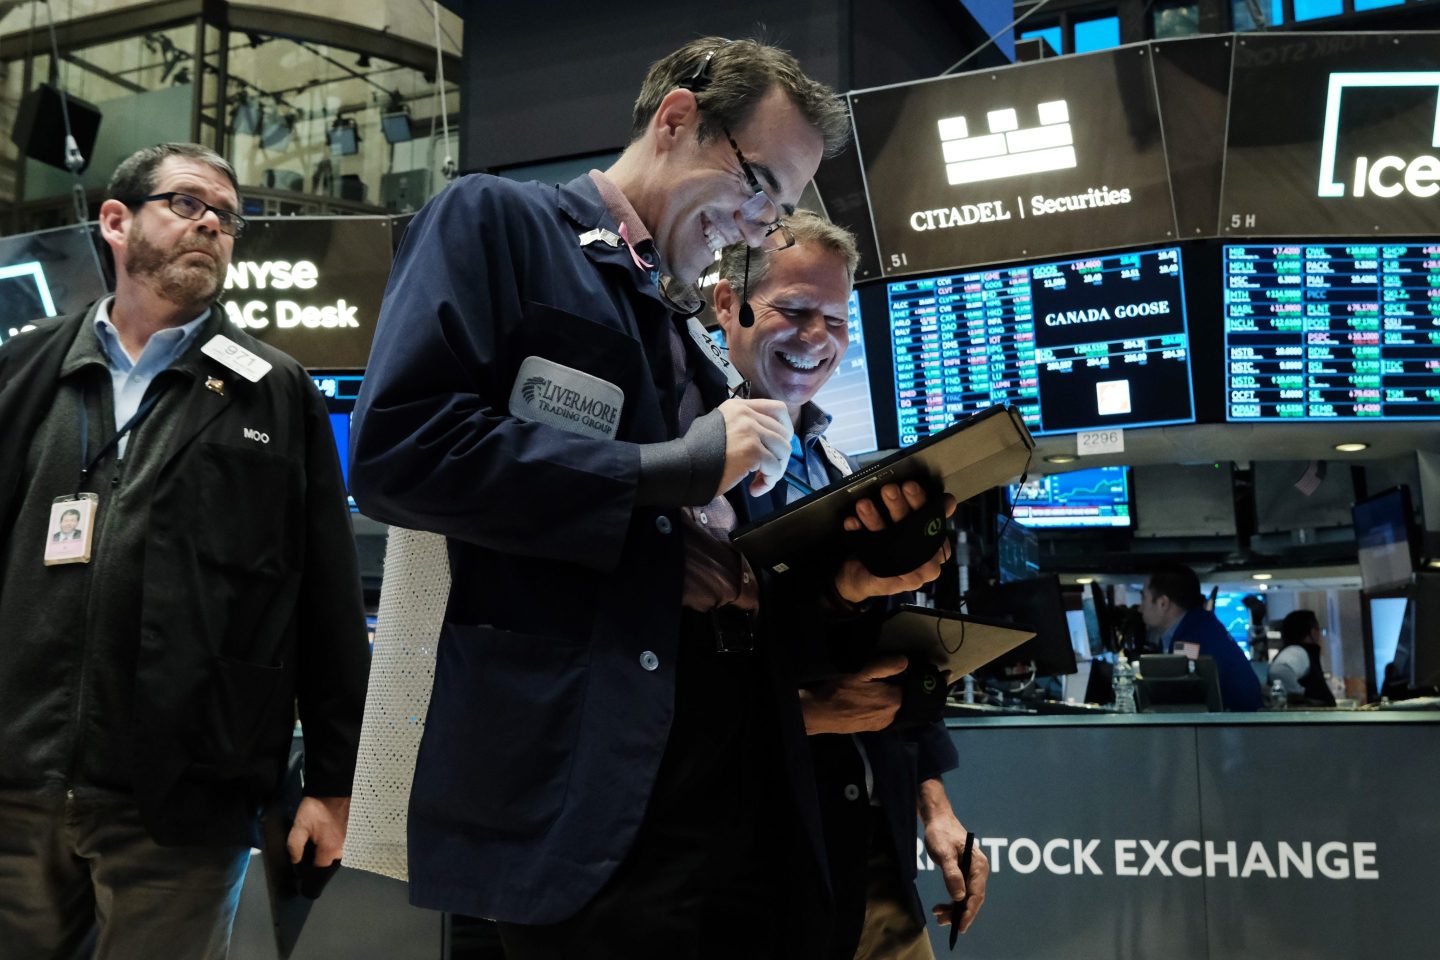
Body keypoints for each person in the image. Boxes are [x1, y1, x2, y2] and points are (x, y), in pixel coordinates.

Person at [349, 37, 949, 959]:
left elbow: (702, 553)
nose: (758, 227)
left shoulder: (688, 331)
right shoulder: (501, 224)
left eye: (781, 208)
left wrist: (852, 578)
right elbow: (401, 450)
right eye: (758, 187)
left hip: (732, 777)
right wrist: (670, 467)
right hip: (585, 782)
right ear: (676, 120)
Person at [0, 142, 370, 959]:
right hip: (15, 782)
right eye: (188, 204)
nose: (212, 225)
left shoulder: (272, 389)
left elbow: (327, 600)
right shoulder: (24, 370)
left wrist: (337, 783)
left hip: (185, 792)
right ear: (116, 221)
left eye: (228, 218)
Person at [711, 211, 989, 960]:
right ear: (726, 306)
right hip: (755, 859)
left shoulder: (837, 469)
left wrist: (935, 802)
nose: (817, 338)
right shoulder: (689, 458)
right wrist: (792, 715)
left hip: (875, 837)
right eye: (794, 311)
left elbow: (887, 644)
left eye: (834, 318)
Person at [1139, 563, 1262, 711]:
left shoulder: (1191, 642)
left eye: (1143, 598)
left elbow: (1183, 702)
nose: (1140, 608)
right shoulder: (1200, 626)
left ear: (1163, 603)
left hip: (1232, 728)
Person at [1270, 610, 1336, 706]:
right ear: (1313, 632)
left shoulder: (1297, 651)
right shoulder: (1297, 651)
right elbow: (1279, 670)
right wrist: (1299, 697)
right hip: (1306, 719)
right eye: (1319, 630)